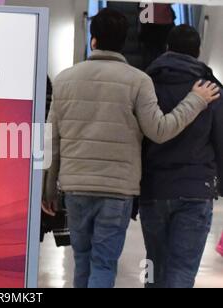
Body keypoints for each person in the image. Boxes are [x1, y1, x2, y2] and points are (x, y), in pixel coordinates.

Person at [42, 9, 220, 289]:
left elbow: (50, 139)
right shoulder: (138, 81)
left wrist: (49, 189)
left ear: (93, 41)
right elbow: (159, 131)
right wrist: (195, 101)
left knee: (83, 259)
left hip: (76, 186)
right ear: (124, 42)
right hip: (118, 191)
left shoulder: (64, 79)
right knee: (104, 263)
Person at [140, 24, 223, 288]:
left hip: (153, 189)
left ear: (167, 48)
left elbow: (137, 138)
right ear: (198, 52)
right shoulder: (212, 90)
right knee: (182, 270)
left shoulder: (147, 85)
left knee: (153, 263)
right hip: (195, 189)